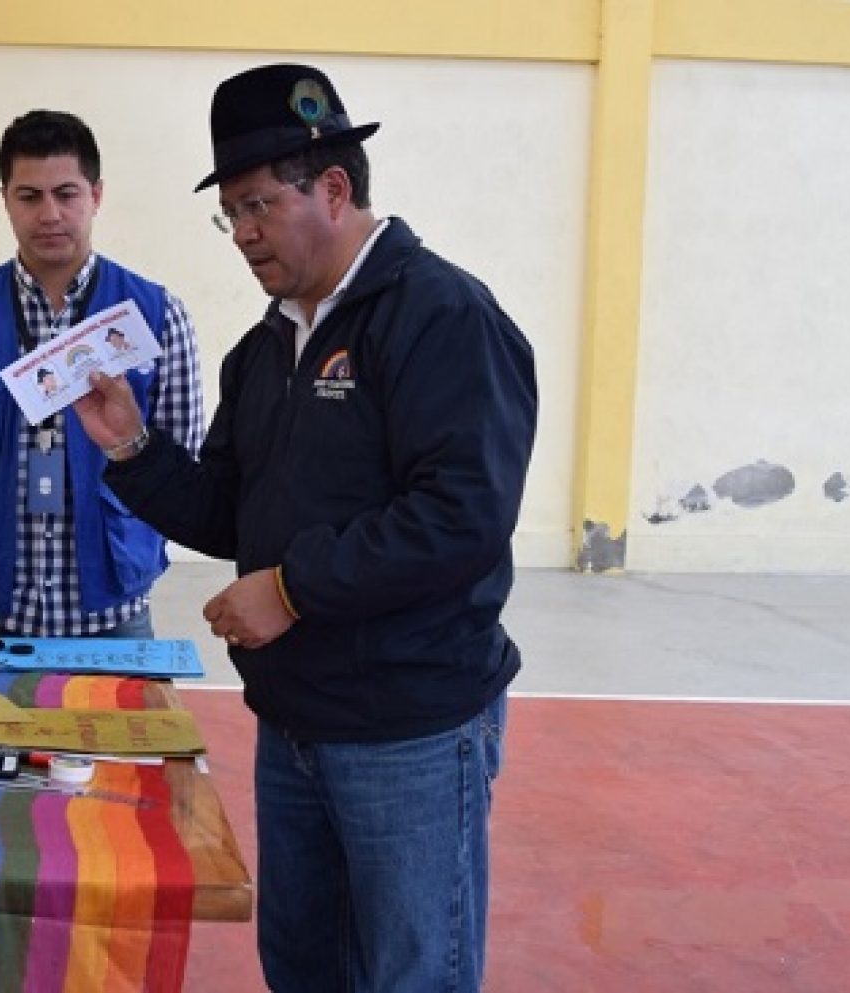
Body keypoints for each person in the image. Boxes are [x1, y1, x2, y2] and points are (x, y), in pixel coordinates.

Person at [72, 64, 537, 992]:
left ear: (332, 187)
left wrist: (291, 590)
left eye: (258, 206)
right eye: (230, 214)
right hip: (294, 722)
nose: (244, 233)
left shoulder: (442, 317)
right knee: (304, 967)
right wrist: (131, 448)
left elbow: (463, 516)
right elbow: (229, 509)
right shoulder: (265, 348)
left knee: (411, 976)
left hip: (407, 727)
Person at [0, 109, 204, 643]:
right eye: (29, 196)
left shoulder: (155, 314)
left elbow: (178, 458)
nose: (49, 214)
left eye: (66, 194)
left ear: (96, 195)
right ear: (5, 200)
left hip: (113, 617)